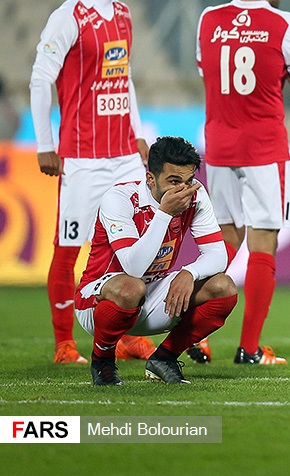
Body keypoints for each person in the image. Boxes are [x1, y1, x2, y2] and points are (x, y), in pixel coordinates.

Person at [29, 0, 156, 365]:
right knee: (69, 250)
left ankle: (122, 336)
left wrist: (137, 131)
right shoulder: (68, 17)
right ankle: (65, 343)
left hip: (123, 155)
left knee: (130, 246)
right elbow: (40, 79)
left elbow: (124, 81)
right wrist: (45, 143)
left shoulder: (122, 14)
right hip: (83, 158)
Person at [195, 0, 290, 365]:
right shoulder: (282, 23)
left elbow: (205, 71)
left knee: (225, 241)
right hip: (263, 147)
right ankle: (248, 347)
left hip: (219, 145)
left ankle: (196, 335)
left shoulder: (209, 18)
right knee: (264, 241)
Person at [74, 136, 238, 385]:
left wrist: (189, 273)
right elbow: (133, 267)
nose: (182, 190)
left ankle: (164, 358)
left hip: (153, 295)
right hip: (98, 302)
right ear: (151, 178)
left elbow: (218, 255)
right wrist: (164, 214)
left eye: (188, 181)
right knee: (131, 286)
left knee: (223, 287)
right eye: (173, 181)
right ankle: (103, 361)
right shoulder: (119, 199)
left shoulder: (195, 195)